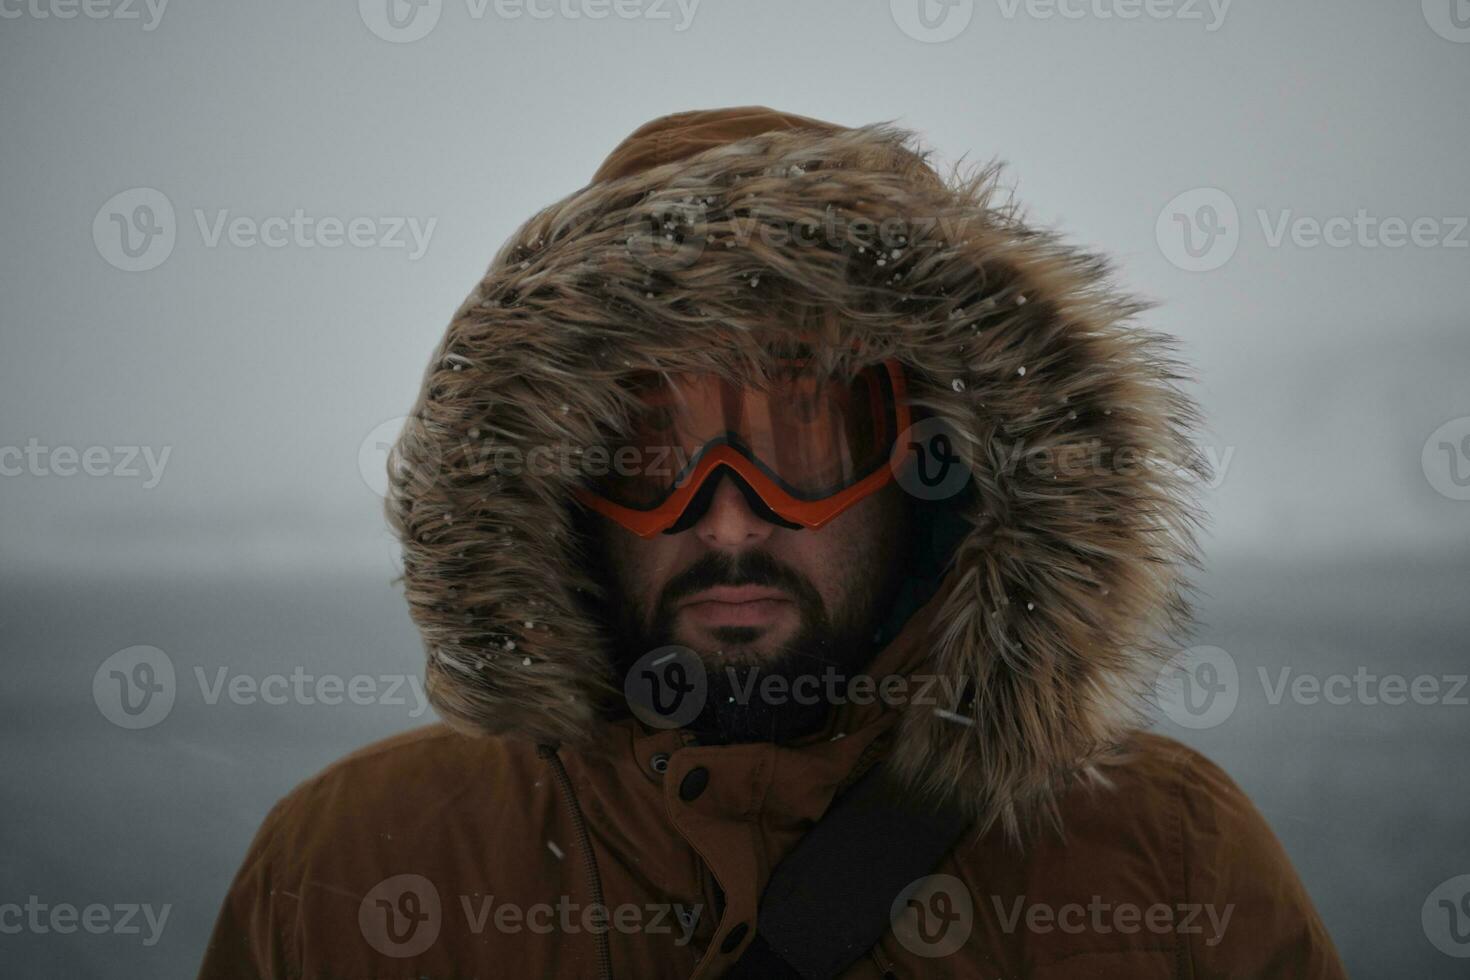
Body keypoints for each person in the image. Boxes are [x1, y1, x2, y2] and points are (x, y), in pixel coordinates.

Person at [198, 106, 1345, 979]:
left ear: (927, 469)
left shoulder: (1169, 863)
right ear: (560, 489)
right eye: (653, 450)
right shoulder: (350, 868)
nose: (731, 515)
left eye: (808, 437)